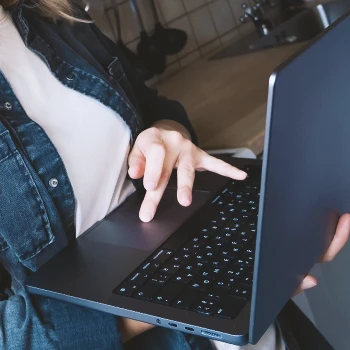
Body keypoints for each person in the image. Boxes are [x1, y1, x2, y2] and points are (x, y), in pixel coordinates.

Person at [0, 1, 348, 349]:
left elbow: (149, 104)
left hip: (227, 298)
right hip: (173, 312)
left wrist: (168, 131)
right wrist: (137, 311)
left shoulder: (52, 13)